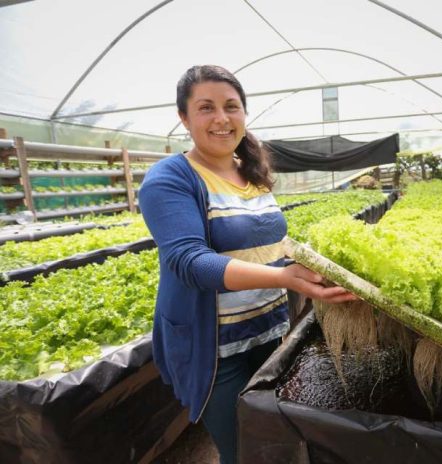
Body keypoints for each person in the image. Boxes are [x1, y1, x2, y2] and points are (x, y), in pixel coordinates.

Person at [138, 64, 355, 464]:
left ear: (243, 113)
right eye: (206, 108)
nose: (221, 118)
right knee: (243, 450)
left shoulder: (250, 172)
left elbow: (272, 242)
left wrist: (322, 264)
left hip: (268, 331)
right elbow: (190, 263)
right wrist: (285, 277)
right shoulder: (169, 179)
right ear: (184, 118)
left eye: (231, 106)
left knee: (273, 439)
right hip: (215, 347)